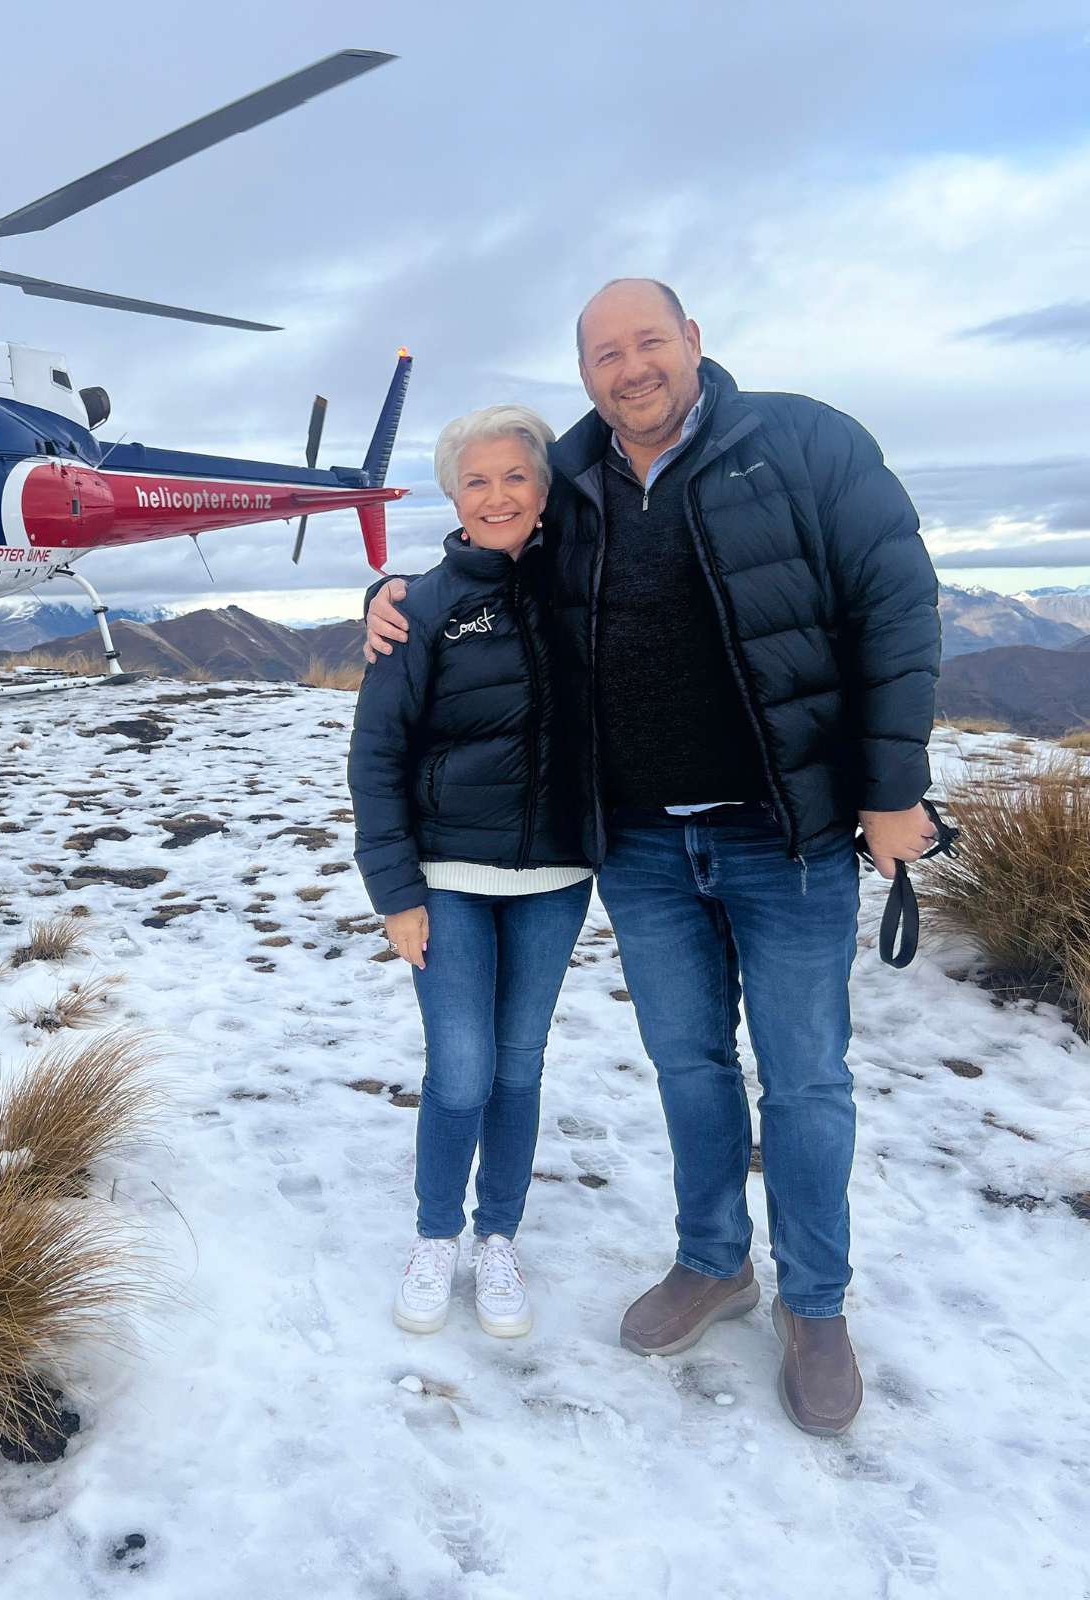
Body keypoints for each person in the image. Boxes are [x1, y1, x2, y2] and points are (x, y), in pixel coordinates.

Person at [364, 280, 940, 1434]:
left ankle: (815, 1304)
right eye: (605, 354)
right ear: (584, 375)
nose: (631, 368)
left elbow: (895, 600)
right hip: (639, 842)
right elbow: (491, 552)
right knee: (689, 1064)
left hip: (785, 833)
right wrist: (393, 597)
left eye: (649, 342)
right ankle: (714, 1259)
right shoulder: (571, 477)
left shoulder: (805, 442)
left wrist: (890, 788)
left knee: (805, 1077)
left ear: (693, 341)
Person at [350, 405, 592, 1341]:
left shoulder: (586, 586)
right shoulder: (418, 607)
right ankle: (435, 1235)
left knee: (519, 1067)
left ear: (545, 488)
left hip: (557, 876)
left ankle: (498, 1236)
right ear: (454, 496)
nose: (497, 496)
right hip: (447, 876)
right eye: (476, 480)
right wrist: (396, 894)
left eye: (516, 476)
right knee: (461, 1071)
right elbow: (377, 755)